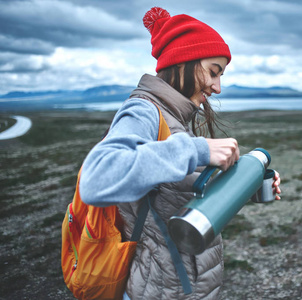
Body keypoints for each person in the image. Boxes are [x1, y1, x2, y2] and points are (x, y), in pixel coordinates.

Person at [79, 7, 281, 299]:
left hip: (186, 287)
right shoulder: (144, 110)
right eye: (213, 72)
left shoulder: (175, 118)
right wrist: (197, 149)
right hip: (157, 290)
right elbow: (97, 178)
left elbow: (170, 192)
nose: (218, 87)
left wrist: (245, 186)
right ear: (184, 62)